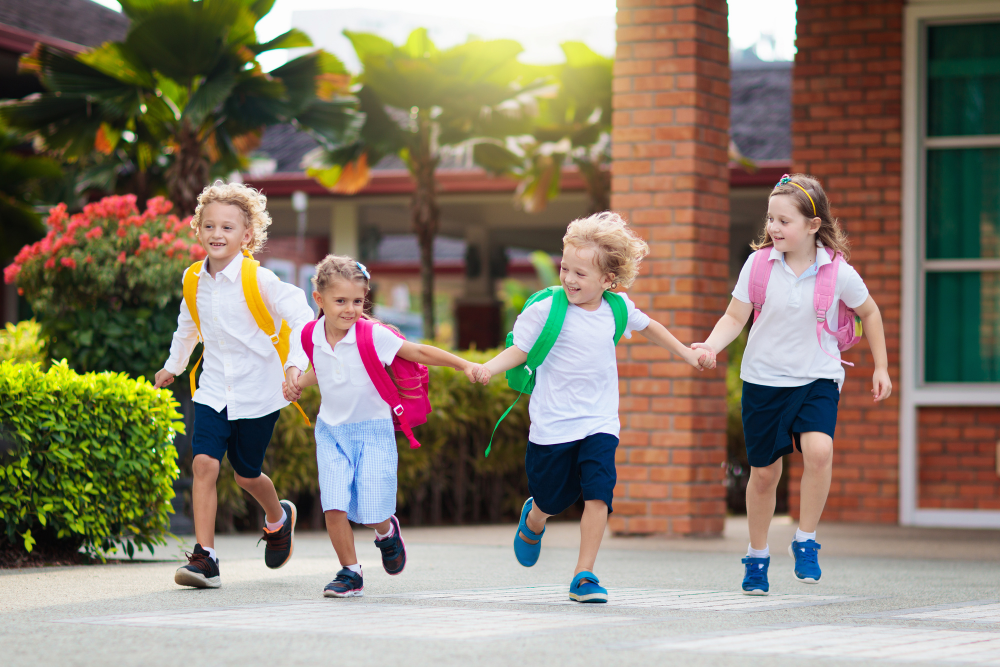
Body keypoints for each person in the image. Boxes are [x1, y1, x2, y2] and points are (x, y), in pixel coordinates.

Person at [479, 211, 706, 603]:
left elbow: (649, 326)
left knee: (599, 494)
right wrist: (487, 368)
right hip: (552, 425)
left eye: (581, 274)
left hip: (600, 422)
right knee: (553, 498)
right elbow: (520, 349)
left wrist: (686, 353)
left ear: (608, 281)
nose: (568, 278)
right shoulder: (547, 309)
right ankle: (535, 518)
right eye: (565, 267)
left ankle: (584, 575)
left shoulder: (616, 308)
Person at [693, 173, 892, 595]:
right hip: (763, 380)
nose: (774, 228)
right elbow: (734, 317)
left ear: (813, 225)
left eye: (784, 221)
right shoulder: (758, 266)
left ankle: (805, 540)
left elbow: (870, 313)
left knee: (819, 450)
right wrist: (710, 346)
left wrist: (881, 368)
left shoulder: (837, 272)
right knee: (765, 474)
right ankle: (757, 555)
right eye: (771, 219)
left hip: (817, 375)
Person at [282, 255, 487, 598]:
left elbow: (418, 352)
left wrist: (463, 364)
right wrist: (298, 381)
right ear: (318, 300)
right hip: (331, 432)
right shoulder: (311, 335)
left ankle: (386, 532)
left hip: (373, 431)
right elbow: (324, 369)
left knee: (374, 510)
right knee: (334, 505)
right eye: (341, 301)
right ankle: (350, 572)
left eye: (358, 301)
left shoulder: (372, 335)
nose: (350, 309)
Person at [154, 181, 314, 589]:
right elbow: (187, 327)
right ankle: (205, 559)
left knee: (246, 474)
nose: (217, 234)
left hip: (258, 393)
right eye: (209, 226)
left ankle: (279, 518)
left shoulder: (259, 280)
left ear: (247, 235)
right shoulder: (194, 281)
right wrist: (173, 365)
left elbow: (301, 317)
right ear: (199, 230)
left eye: (227, 227)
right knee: (203, 464)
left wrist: (296, 364)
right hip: (211, 391)